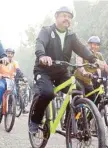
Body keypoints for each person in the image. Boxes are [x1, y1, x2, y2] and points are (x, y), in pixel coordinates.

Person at [29, 6, 99, 134]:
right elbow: (40, 43)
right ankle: (35, 120)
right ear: (56, 17)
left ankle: (69, 124)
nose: (67, 19)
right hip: (44, 71)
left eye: (69, 17)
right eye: (64, 16)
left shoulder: (71, 36)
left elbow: (82, 49)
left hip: (61, 73)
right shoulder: (46, 30)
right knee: (47, 93)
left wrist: (93, 59)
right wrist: (42, 55)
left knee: (78, 91)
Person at [74, 36, 108, 103]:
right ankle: (71, 112)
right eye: (94, 44)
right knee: (79, 98)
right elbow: (79, 64)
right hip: (79, 79)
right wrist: (84, 72)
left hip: (88, 81)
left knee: (93, 99)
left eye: (97, 45)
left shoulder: (99, 55)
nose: (95, 47)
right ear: (89, 44)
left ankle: (91, 113)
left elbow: (106, 67)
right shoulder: (82, 52)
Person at [0, 48, 20, 115]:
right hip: (2, 79)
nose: (10, 55)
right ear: (5, 54)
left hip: (10, 80)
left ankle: (10, 106)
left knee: (14, 92)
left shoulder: (15, 63)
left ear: (13, 55)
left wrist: (22, 76)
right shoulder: (1, 61)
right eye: (8, 53)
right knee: (1, 87)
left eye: (11, 53)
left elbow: (18, 70)